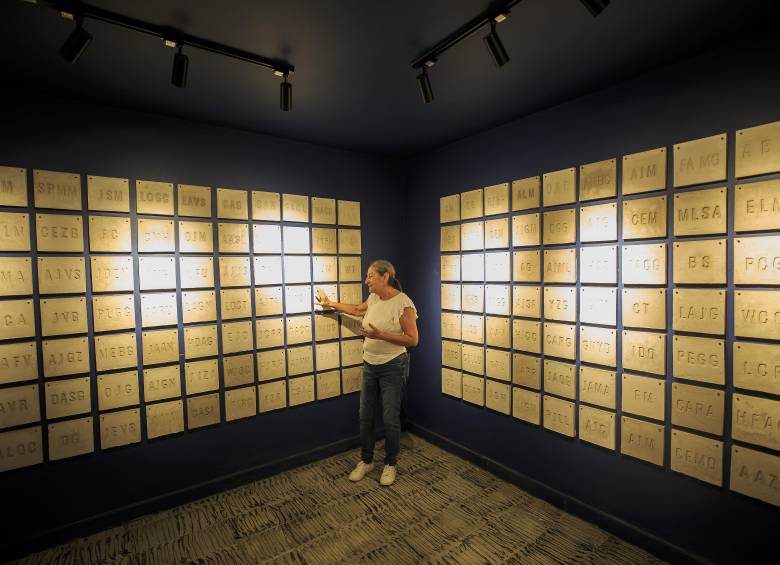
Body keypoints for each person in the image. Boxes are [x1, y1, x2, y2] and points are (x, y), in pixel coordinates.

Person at [316, 259, 418, 486]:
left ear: (385, 277)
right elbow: (356, 310)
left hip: (393, 365)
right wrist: (329, 303)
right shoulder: (373, 298)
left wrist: (381, 335)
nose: (366, 280)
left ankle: (390, 463)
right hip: (369, 365)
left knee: (390, 419)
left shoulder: (403, 303)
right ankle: (367, 460)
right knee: (365, 416)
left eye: (371, 276)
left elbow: (413, 339)